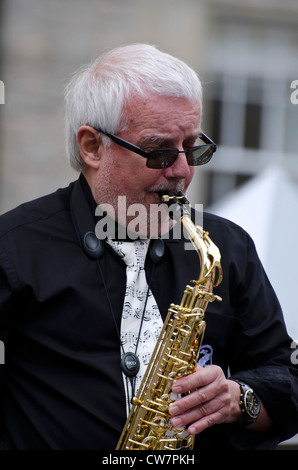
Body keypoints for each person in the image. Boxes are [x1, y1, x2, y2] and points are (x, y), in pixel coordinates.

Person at [0, 43, 297, 451]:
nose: (182, 172)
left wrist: (239, 399)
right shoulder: (14, 248)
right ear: (92, 147)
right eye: (158, 151)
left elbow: (287, 378)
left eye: (193, 147)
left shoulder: (227, 246)